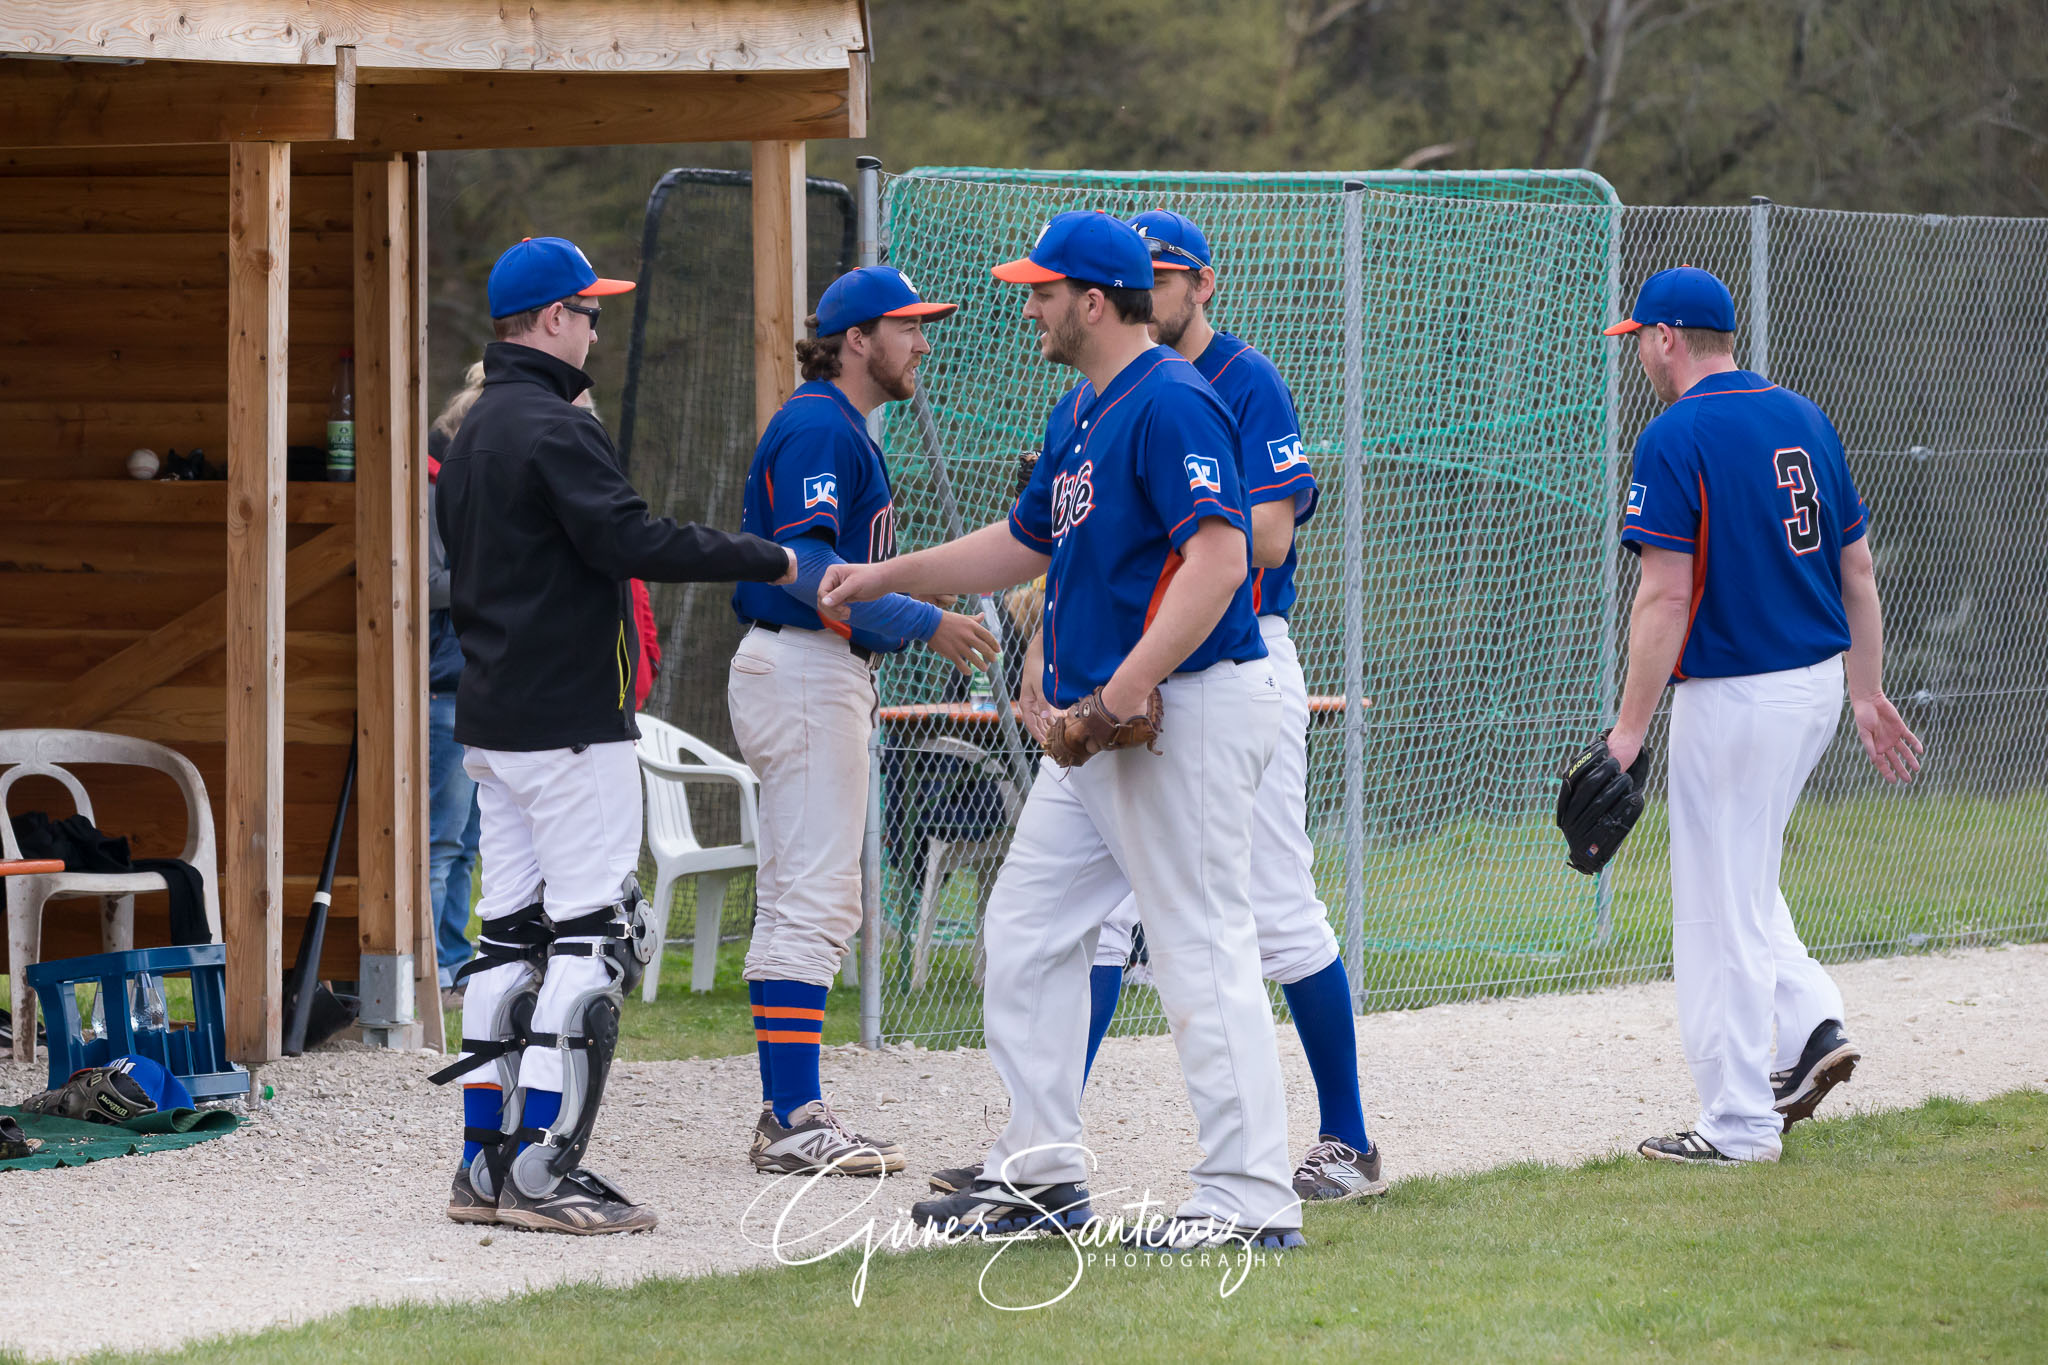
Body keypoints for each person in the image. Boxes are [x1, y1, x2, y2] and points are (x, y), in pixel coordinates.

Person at [822, 212, 1303, 1251]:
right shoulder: (1079, 408)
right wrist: (885, 575)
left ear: (1093, 301)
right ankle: (1038, 1175)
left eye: (1042, 291)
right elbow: (1023, 542)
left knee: (1200, 943)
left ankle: (1248, 1198)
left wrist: (1119, 692)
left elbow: (1223, 560)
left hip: (1186, 708)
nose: (1028, 306)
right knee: (1027, 931)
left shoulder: (1171, 399)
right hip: (1100, 731)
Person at [928, 211, 1385, 1204]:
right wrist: (1050, 646)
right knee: (1061, 926)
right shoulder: (1090, 399)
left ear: (1194, 285)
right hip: (1126, 676)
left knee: (1269, 915)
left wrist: (1131, 626)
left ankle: (1337, 1142)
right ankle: (1038, 1160)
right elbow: (1061, 550)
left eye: (1168, 271)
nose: (1157, 283)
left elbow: (1257, 543)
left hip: (1226, 660)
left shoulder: (1226, 383)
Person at [430, 236, 797, 1234]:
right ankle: (545, 1167)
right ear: (553, 317)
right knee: (591, 939)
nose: (595, 330)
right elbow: (631, 539)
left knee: (505, 939)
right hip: (569, 725)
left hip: (495, 721)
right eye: (589, 313)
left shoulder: (472, 429)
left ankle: (482, 1164)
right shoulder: (555, 425)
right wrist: (769, 559)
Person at [1604, 266, 1922, 1165]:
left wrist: (1629, 730)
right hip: (1814, 684)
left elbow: (1664, 597)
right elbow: (1857, 569)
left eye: (1640, 341)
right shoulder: (1803, 416)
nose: (1639, 357)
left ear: (1667, 338)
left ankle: (1738, 1121)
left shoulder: (1676, 433)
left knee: (1719, 909)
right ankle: (1813, 1022)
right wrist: (1864, 689)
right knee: (1742, 877)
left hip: (1736, 695)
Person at [729, 266, 998, 1177]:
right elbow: (805, 570)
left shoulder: (838, 424)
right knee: (815, 898)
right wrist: (925, 619)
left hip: (806, 668)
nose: (922, 343)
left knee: (797, 895)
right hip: (804, 666)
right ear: (856, 339)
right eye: (907, 327)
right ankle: (797, 1116)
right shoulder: (819, 423)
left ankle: (788, 1109)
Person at [426, 363, 487, 1010]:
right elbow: (424, 585)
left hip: (480, 688)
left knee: (469, 842)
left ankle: (455, 960)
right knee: (441, 842)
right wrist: (494, 572)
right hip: (444, 687)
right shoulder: (431, 490)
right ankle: (433, 971)